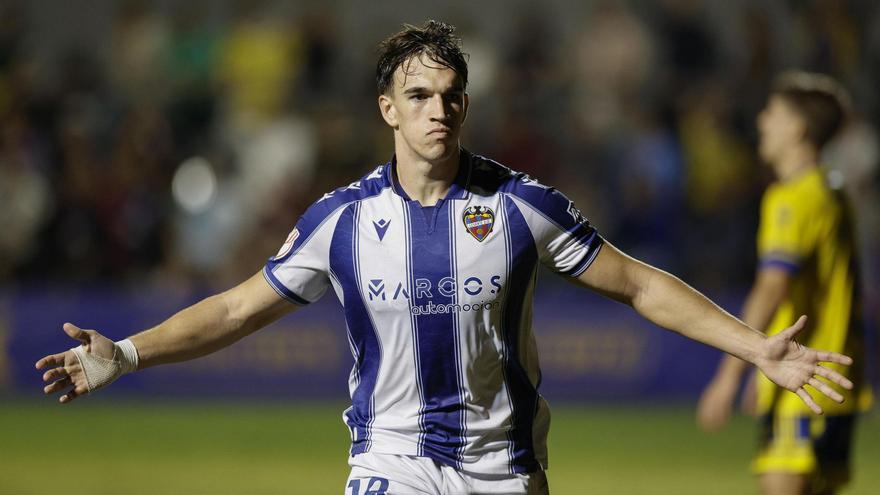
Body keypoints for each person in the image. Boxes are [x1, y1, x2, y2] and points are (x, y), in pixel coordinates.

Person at [38, 22, 855, 495]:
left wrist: (757, 351)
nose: (441, 110)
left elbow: (638, 282)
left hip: (506, 469)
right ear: (387, 108)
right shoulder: (341, 220)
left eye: (453, 94)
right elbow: (235, 307)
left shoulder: (520, 206)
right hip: (390, 462)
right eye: (421, 96)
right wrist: (129, 352)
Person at [696, 72, 869, 495]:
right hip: (838, 377)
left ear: (797, 128)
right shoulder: (834, 190)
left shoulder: (792, 198)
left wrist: (731, 374)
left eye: (771, 113)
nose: (761, 122)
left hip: (804, 381)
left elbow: (772, 288)